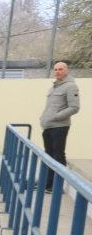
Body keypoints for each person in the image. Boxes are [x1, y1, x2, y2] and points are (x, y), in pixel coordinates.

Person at [41, 62, 81, 191]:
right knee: (48, 155)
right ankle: (47, 184)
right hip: (48, 126)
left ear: (66, 70)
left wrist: (56, 117)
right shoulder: (54, 87)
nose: (57, 72)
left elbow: (74, 108)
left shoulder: (71, 86)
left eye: (60, 69)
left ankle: (56, 186)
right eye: (55, 69)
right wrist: (44, 118)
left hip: (59, 126)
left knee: (58, 155)